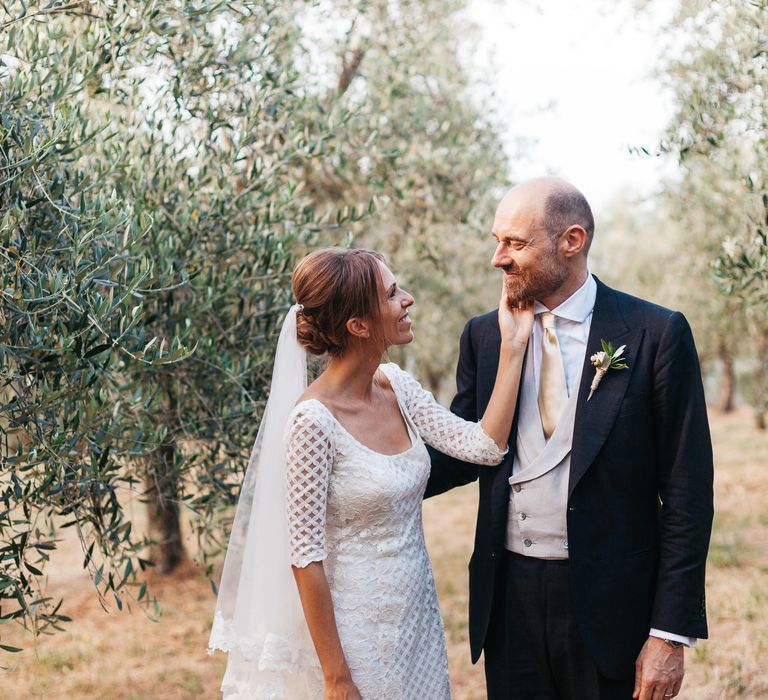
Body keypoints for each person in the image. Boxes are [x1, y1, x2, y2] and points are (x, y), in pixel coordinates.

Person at [427, 177, 714, 700]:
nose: (498, 258)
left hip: (613, 607)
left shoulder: (655, 333)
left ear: (572, 241)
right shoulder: (484, 335)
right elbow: (463, 452)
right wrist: (362, 456)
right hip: (507, 602)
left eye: (515, 243)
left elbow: (688, 494)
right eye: (497, 241)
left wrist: (669, 633)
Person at [208, 247, 534, 699]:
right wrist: (336, 676)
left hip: (417, 621)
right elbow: (305, 559)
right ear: (358, 325)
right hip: (356, 636)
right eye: (392, 293)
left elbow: (483, 446)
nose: (408, 300)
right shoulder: (312, 423)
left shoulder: (395, 384)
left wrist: (514, 346)